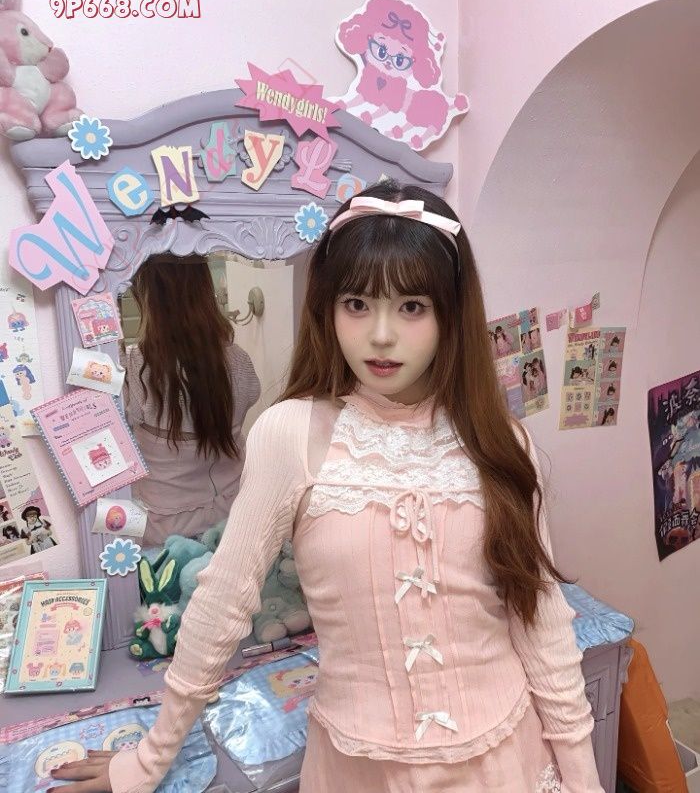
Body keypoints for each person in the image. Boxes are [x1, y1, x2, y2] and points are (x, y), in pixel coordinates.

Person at [56, 183, 602, 792]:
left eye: (413, 306)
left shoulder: (500, 441)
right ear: (328, 308)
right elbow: (222, 603)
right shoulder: (291, 433)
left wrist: (584, 782)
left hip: (506, 761)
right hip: (359, 767)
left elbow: (540, 620)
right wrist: (147, 760)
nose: (381, 335)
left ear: (451, 312)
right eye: (357, 303)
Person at [122, 254, 261, 546]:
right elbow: (250, 397)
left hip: (164, 523)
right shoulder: (238, 361)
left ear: (149, 300)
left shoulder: (137, 366)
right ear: (205, 292)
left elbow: (127, 420)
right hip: (231, 511)